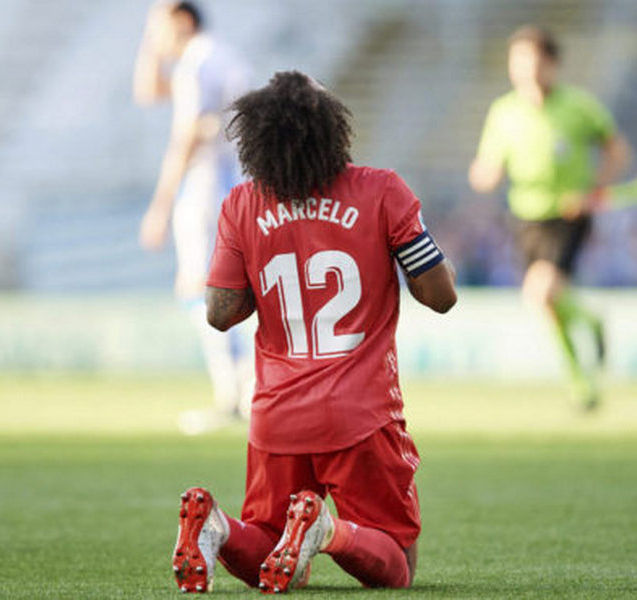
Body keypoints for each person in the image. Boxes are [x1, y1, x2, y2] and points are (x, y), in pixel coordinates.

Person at [170, 72, 457, 593]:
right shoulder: (381, 190)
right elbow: (441, 296)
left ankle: (217, 526)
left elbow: (219, 312)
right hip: (360, 413)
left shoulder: (242, 204)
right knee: (397, 563)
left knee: (266, 540)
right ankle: (326, 530)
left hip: (277, 413)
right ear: (332, 128)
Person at [468, 26, 631, 409]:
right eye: (518, 61)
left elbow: (616, 150)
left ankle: (580, 384)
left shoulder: (579, 106)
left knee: (542, 291)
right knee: (545, 302)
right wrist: (484, 174)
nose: (525, 69)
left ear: (552, 64)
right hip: (526, 216)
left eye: (533, 60)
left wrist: (595, 188)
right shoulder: (504, 111)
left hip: (568, 213)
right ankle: (590, 323)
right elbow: (488, 165)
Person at [133, 1, 253, 434]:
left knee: (205, 289)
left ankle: (235, 395)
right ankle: (243, 391)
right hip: (232, 184)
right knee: (222, 288)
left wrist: (160, 206)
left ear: (183, 21)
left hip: (210, 187)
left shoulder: (198, 63)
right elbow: (149, 92)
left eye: (157, 27)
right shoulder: (216, 56)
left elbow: (188, 136)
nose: (154, 36)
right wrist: (153, 44)